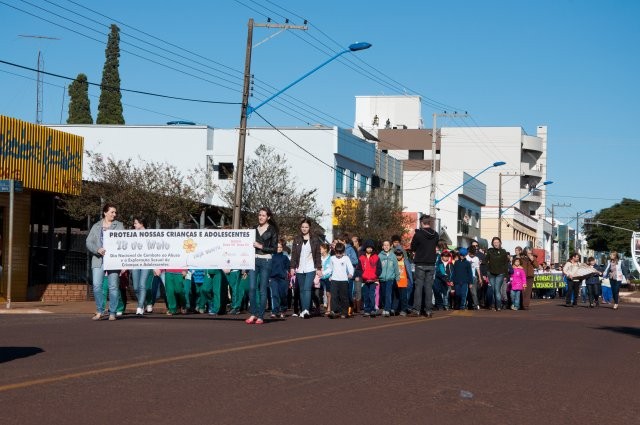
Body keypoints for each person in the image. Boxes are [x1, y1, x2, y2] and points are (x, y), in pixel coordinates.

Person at [86, 203, 124, 321]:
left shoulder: (119, 225)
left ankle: (112, 312)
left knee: (113, 286)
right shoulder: (96, 226)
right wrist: (97, 249)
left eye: (115, 212)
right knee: (97, 286)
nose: (114, 214)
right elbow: (88, 242)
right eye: (112, 212)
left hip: (113, 260)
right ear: (105, 212)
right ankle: (100, 311)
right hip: (98, 260)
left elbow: (123, 240)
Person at [246, 207, 278, 325]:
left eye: (263, 215)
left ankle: (260, 315)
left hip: (266, 261)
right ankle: (253, 313)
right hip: (253, 260)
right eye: (259, 215)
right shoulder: (253, 229)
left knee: (262, 289)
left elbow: (274, 249)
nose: (261, 217)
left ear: (268, 217)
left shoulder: (272, 230)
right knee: (252, 288)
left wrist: (261, 247)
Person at [290, 218, 322, 319]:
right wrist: (292, 267)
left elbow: (317, 254)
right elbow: (294, 254)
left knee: (307, 288)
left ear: (310, 228)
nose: (304, 229)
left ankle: (307, 310)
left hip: (311, 267)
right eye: (303, 227)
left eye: (306, 227)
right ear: (300, 227)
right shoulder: (297, 239)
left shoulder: (315, 239)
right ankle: (303, 310)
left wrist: (319, 268)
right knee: (302, 290)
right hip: (300, 268)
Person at [410, 214, 439, 317]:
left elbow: (412, 247)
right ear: (429, 223)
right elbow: (435, 245)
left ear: (422, 223)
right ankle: (428, 310)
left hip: (420, 263)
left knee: (418, 287)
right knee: (428, 287)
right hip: (431, 263)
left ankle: (416, 310)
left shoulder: (418, 234)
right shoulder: (436, 234)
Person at [326, 242, 354, 319]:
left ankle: (344, 312)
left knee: (344, 297)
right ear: (335, 251)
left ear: (343, 252)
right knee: (334, 296)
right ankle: (334, 311)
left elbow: (350, 268)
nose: (338, 254)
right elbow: (330, 269)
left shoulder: (346, 258)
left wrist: (350, 274)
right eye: (337, 252)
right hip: (334, 280)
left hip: (344, 280)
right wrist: (323, 273)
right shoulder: (332, 258)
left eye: (340, 253)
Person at [357, 239, 382, 317]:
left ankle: (372, 310)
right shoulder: (361, 257)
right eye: (368, 247)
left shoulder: (376, 257)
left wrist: (375, 276)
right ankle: (367, 310)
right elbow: (359, 269)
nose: (369, 249)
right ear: (365, 248)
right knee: (366, 295)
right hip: (365, 280)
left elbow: (379, 269)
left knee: (372, 295)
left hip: (373, 280)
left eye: (371, 248)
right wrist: (362, 276)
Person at [130, 216, 149, 315]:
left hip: (146, 262)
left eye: (136, 223)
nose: (134, 225)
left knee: (142, 285)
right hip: (135, 262)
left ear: (142, 224)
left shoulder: (150, 234)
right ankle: (144, 303)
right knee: (136, 287)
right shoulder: (132, 234)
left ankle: (139, 307)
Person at [485, 237, 510, 311]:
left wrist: (506, 275)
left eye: (497, 242)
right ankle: (492, 305)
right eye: (494, 242)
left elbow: (505, 264)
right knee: (493, 289)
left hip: (500, 273)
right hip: (491, 273)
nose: (496, 244)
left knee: (497, 289)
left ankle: (498, 306)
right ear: (492, 243)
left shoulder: (503, 251)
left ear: (500, 243)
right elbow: (485, 261)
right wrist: (487, 269)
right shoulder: (490, 251)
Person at [269, 239, 290, 319]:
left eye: (280, 247)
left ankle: (283, 310)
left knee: (283, 295)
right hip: (273, 278)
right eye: (277, 247)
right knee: (274, 295)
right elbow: (268, 268)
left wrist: (289, 271)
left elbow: (288, 266)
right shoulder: (271, 257)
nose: (279, 248)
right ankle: (275, 311)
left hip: (282, 279)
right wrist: (269, 277)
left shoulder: (285, 257)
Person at [378, 240, 399, 317]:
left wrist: (397, 277)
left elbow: (396, 267)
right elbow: (377, 267)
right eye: (384, 245)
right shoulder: (380, 256)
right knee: (383, 294)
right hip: (382, 278)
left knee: (388, 294)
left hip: (390, 278)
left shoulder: (393, 256)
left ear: (390, 246)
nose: (386, 246)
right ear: (382, 246)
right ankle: (385, 308)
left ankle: (387, 309)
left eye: (387, 245)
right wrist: (377, 277)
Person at [393, 248, 410, 316]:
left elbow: (408, 272)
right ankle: (396, 309)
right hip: (396, 283)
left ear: (402, 255)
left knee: (403, 298)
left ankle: (404, 310)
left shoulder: (405, 261)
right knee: (396, 297)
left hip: (403, 283)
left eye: (400, 255)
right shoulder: (394, 262)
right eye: (397, 255)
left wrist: (409, 280)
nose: (398, 256)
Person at [466, 245, 482, 310]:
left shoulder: (476, 258)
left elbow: (477, 268)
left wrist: (480, 278)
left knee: (473, 292)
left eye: (473, 253)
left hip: (473, 277)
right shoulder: (466, 257)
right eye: (471, 253)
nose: (472, 255)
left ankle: (476, 305)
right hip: (465, 277)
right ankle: (467, 304)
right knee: (466, 292)